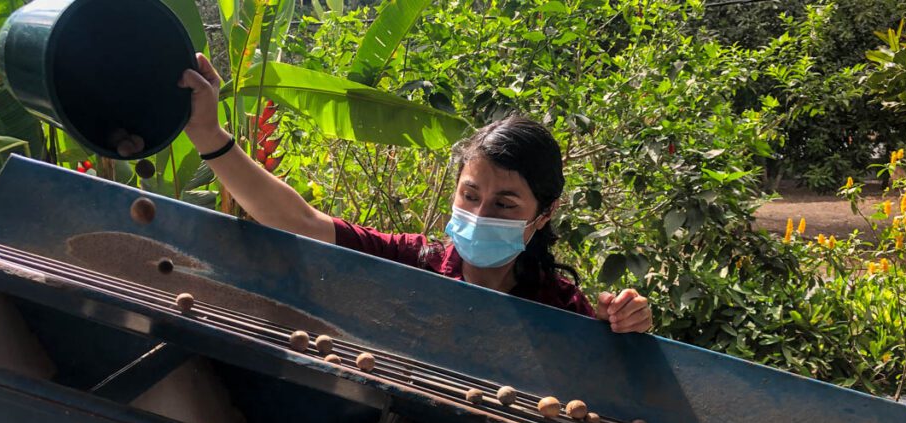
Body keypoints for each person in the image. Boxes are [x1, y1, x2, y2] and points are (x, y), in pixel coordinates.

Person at [178, 53, 652, 333]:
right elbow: (301, 223)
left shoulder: (561, 308)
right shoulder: (414, 263)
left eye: (505, 204)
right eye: (470, 195)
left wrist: (626, 326)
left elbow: (601, 398)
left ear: (543, 215)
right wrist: (208, 135)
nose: (480, 213)